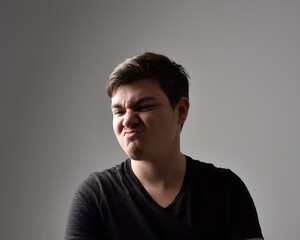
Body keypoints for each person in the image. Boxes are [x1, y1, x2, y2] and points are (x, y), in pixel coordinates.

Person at [65, 52, 263, 240]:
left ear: (181, 110)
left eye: (143, 107)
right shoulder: (96, 196)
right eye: (119, 111)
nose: (127, 120)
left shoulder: (226, 189)